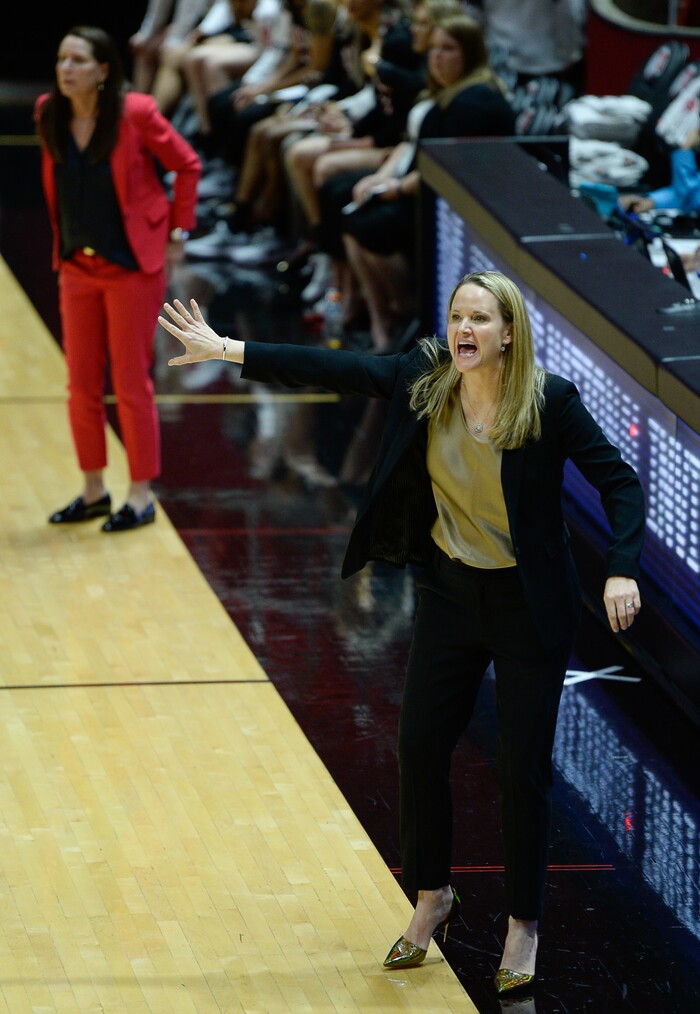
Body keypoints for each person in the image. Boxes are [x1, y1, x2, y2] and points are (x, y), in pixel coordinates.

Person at [157, 269, 645, 993]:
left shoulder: (548, 403)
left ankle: (523, 926)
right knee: (418, 746)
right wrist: (228, 347)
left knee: (522, 771)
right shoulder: (426, 377)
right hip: (450, 593)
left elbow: (621, 482)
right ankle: (431, 897)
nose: (464, 329)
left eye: (480, 318)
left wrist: (621, 567)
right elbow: (338, 367)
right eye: (457, 316)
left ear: (509, 333)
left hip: (526, 606)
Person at [36, 25, 201, 531]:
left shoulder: (136, 113)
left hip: (131, 265)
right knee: (80, 383)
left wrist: (178, 230)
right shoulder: (49, 111)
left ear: (104, 70)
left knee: (130, 381)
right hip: (77, 264)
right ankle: (93, 491)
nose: (67, 69)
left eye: (79, 60)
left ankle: (140, 495)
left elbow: (187, 165)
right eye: (62, 58)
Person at [316, 12, 516, 350]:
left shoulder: (474, 101)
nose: (436, 56)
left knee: (370, 225)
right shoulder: (442, 92)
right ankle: (383, 321)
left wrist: (394, 188)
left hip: (451, 208)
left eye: (448, 49)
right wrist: (382, 179)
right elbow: (411, 145)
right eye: (434, 48)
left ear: (470, 53)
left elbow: (449, 173)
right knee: (350, 215)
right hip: (422, 190)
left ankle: (406, 304)